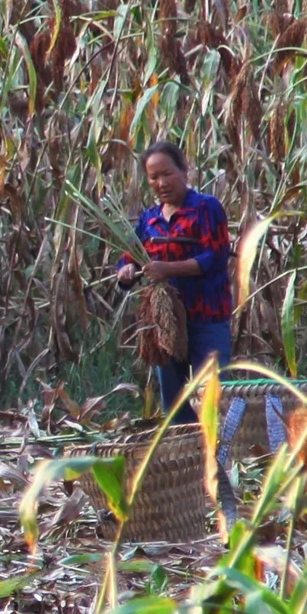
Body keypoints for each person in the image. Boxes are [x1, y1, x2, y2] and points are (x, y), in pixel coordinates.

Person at [116, 141, 233, 422]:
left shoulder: (206, 208)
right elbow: (129, 256)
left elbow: (215, 257)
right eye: (154, 177)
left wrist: (168, 269)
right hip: (166, 323)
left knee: (213, 396)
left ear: (184, 170)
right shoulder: (149, 220)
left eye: (167, 174)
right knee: (174, 402)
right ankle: (182, 456)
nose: (161, 183)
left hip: (206, 318)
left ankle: (219, 458)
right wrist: (126, 272)